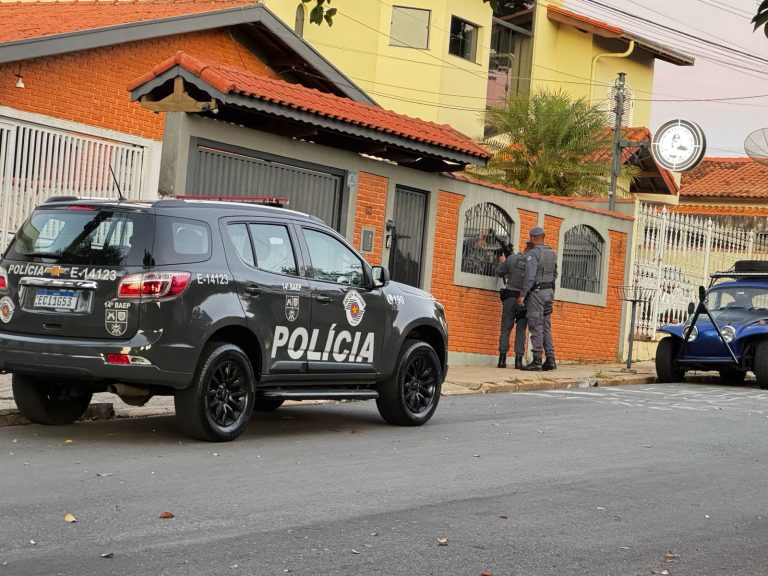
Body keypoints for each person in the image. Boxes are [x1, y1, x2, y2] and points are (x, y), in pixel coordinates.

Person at [517, 227, 558, 371]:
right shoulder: (552, 252)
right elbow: (555, 275)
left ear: (533, 238)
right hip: (549, 292)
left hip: (537, 293)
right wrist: (552, 293)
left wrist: (522, 295)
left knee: (536, 325)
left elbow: (529, 277)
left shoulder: (534, 253)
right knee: (546, 326)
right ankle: (550, 359)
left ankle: (537, 360)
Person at [496, 241, 533, 368]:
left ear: (525, 247)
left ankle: (502, 360)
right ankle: (518, 361)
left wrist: (502, 262)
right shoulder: (534, 264)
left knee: (506, 327)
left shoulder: (512, 258)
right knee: (521, 329)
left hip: (510, 298)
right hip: (525, 300)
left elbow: (500, 272)